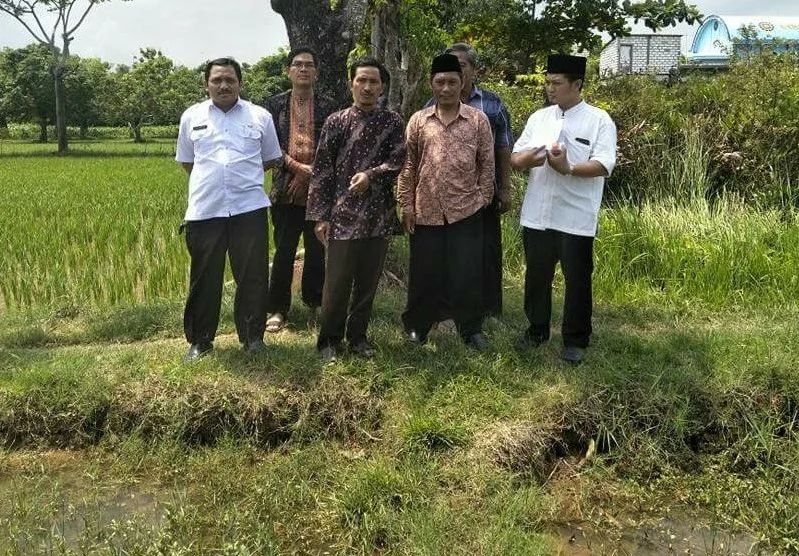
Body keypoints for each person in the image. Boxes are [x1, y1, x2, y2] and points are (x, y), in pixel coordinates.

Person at [510, 54, 617, 364]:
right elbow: (515, 157)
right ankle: (536, 330)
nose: (550, 88)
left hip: (575, 216)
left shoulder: (599, 120)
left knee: (577, 279)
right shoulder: (539, 118)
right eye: (548, 82)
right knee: (537, 276)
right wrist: (526, 160)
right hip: (537, 214)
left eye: (557, 83)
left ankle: (575, 339)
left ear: (577, 84)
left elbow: (604, 164)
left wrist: (568, 167)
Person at [175, 57, 282, 361]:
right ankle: (200, 341)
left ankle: (252, 338)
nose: (223, 85)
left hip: (249, 208)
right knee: (204, 278)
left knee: (253, 276)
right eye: (217, 80)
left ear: (240, 83)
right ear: (206, 84)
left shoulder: (259, 116)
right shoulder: (191, 116)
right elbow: (188, 162)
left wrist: (240, 178)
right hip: (205, 209)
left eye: (230, 80)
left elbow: (269, 158)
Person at [306, 57, 406, 365]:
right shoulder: (336, 121)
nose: (367, 87)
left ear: (382, 87)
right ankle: (329, 341)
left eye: (373, 81)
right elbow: (322, 171)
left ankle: (358, 338)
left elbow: (398, 161)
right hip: (342, 216)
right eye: (361, 80)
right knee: (337, 283)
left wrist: (371, 175)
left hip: (378, 215)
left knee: (367, 282)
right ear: (351, 83)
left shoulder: (392, 122)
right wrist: (320, 216)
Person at [397, 52, 495, 350]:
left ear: (462, 82)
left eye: (452, 82)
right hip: (425, 210)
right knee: (424, 273)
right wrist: (406, 204)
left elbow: (487, 163)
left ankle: (471, 329)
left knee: (467, 272)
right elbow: (408, 165)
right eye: (440, 82)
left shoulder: (477, 120)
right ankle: (417, 327)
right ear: (431, 84)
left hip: (466, 210)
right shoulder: (419, 120)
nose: (446, 88)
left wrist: (482, 198)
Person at [426, 43, 513, 318]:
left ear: (473, 70)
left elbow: (503, 146)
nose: (455, 70)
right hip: (444, 197)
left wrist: (505, 188)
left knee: (486, 252)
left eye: (461, 65)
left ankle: (489, 310)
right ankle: (447, 309)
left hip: (482, 193)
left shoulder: (492, 104)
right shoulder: (431, 105)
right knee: (448, 254)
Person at [263, 47, 338, 333]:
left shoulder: (330, 106)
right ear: (288, 71)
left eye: (309, 65)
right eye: (298, 64)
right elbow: (270, 146)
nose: (303, 69)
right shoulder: (273, 105)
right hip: (285, 190)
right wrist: (297, 168)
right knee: (284, 250)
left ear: (316, 72)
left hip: (320, 191)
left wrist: (312, 175)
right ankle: (277, 308)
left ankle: (315, 302)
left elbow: (334, 146)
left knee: (317, 249)